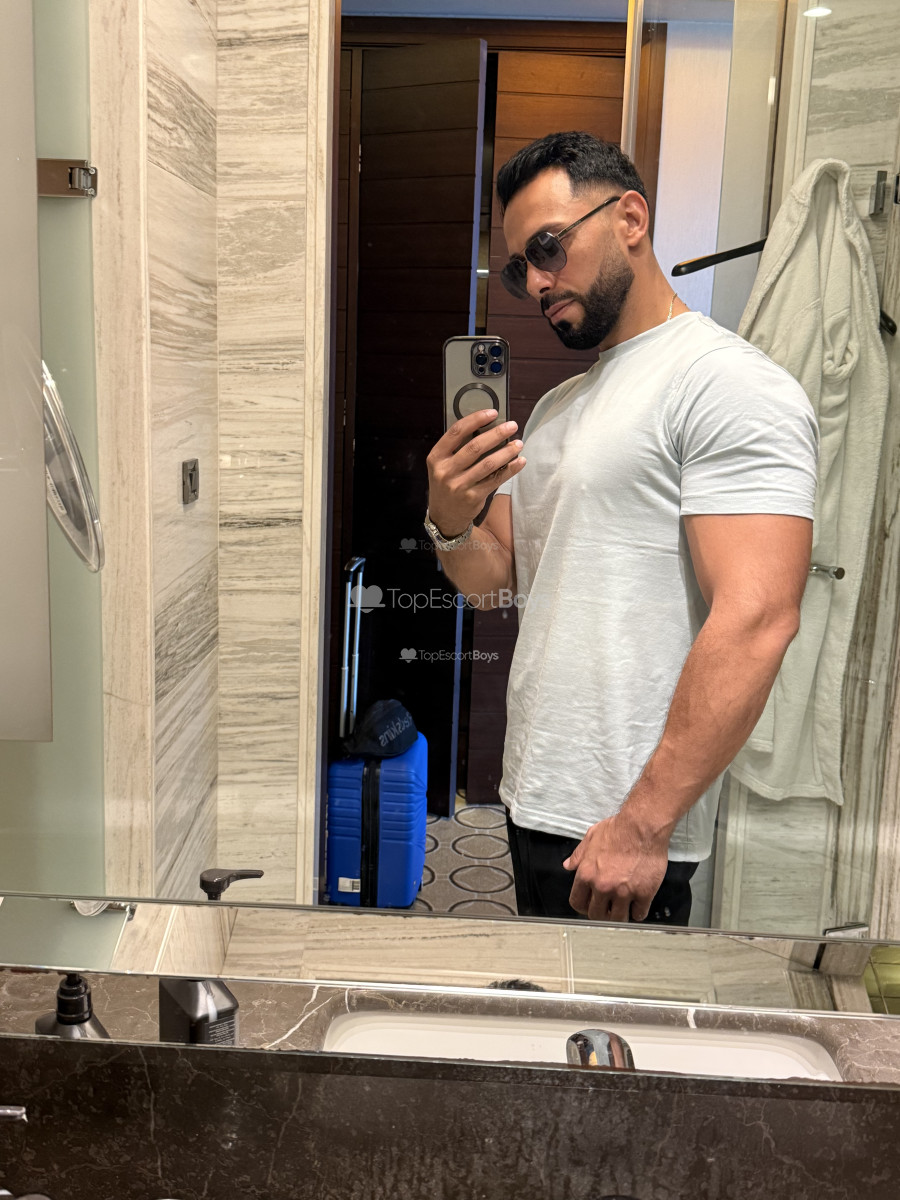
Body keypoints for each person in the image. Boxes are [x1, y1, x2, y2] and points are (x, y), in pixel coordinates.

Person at [424, 132, 818, 926]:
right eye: (520, 268)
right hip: (538, 794)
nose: (536, 283)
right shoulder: (558, 408)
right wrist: (448, 516)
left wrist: (643, 824)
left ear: (630, 218)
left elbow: (758, 618)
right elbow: (493, 582)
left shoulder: (726, 383)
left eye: (548, 248)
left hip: (623, 823)